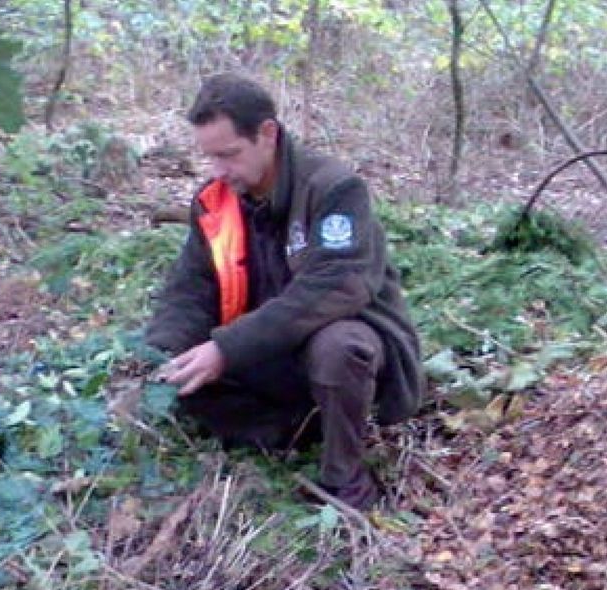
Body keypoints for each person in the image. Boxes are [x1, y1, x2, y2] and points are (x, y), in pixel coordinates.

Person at [146, 73, 425, 510]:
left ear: (268, 134)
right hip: (265, 348)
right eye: (210, 158)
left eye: (230, 155)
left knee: (340, 347)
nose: (220, 171)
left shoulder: (334, 188)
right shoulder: (215, 201)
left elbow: (338, 287)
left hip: (340, 340)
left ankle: (346, 479)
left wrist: (228, 348)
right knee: (185, 372)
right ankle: (290, 431)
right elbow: (190, 289)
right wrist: (158, 357)